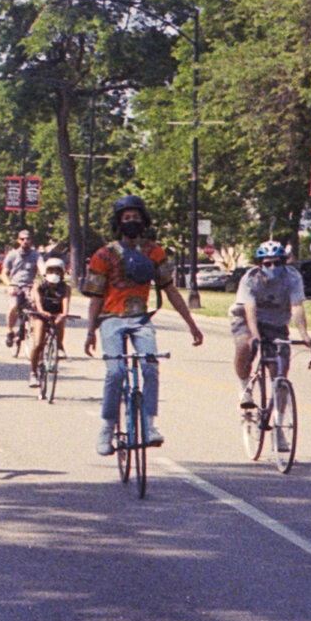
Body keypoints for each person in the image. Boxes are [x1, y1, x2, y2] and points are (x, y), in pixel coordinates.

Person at [82, 194, 202, 455]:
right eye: (126, 218)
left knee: (150, 366)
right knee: (115, 372)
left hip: (141, 319)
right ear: (118, 222)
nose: (132, 222)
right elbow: (94, 298)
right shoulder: (103, 255)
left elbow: (169, 290)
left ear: (144, 221)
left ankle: (148, 423)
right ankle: (107, 427)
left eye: (136, 217)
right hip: (110, 320)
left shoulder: (153, 252)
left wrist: (191, 324)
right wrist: (90, 331)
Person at [232, 240, 311, 408]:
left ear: (284, 262)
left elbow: (297, 307)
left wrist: (304, 335)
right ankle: (245, 389)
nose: (273, 267)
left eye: (277, 263)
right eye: (267, 263)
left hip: (276, 321)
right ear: (259, 265)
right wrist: (255, 336)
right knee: (244, 345)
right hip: (248, 318)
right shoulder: (250, 279)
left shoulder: (292, 277)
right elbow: (250, 309)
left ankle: (279, 421)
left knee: (279, 370)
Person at [27, 255, 72, 387]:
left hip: (55, 312)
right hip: (40, 314)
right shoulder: (39, 285)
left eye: (57, 271)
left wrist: (64, 314)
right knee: (38, 343)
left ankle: (59, 346)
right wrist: (41, 311)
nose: (54, 274)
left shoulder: (65, 288)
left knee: (60, 321)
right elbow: (37, 301)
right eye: (51, 271)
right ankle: (33, 373)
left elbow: (66, 302)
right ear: (45, 273)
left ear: (62, 273)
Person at [0, 228, 42, 347]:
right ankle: (10, 331)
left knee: (36, 307)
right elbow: (4, 273)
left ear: (31, 240)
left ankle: (34, 331)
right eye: (22, 239)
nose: (25, 241)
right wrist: (10, 284)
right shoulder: (12, 255)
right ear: (18, 241)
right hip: (15, 286)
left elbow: (42, 267)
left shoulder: (36, 255)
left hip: (29, 286)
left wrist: (46, 276)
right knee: (13, 306)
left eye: (28, 239)